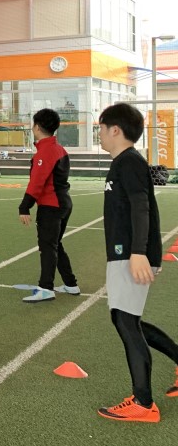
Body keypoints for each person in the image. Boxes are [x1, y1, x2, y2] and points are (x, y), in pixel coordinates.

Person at [95, 103, 178, 422]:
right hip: (127, 252)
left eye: (101, 129)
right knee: (128, 319)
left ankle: (143, 403)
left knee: (125, 321)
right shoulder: (125, 162)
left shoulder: (129, 161)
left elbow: (142, 207)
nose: (100, 134)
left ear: (115, 130)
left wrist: (139, 252)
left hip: (129, 253)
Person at [18, 108, 78, 303]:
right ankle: (71, 284)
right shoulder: (59, 149)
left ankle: (46, 288)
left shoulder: (46, 151)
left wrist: (24, 207)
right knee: (55, 244)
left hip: (52, 205)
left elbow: (37, 182)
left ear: (37, 127)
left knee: (47, 247)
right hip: (63, 203)